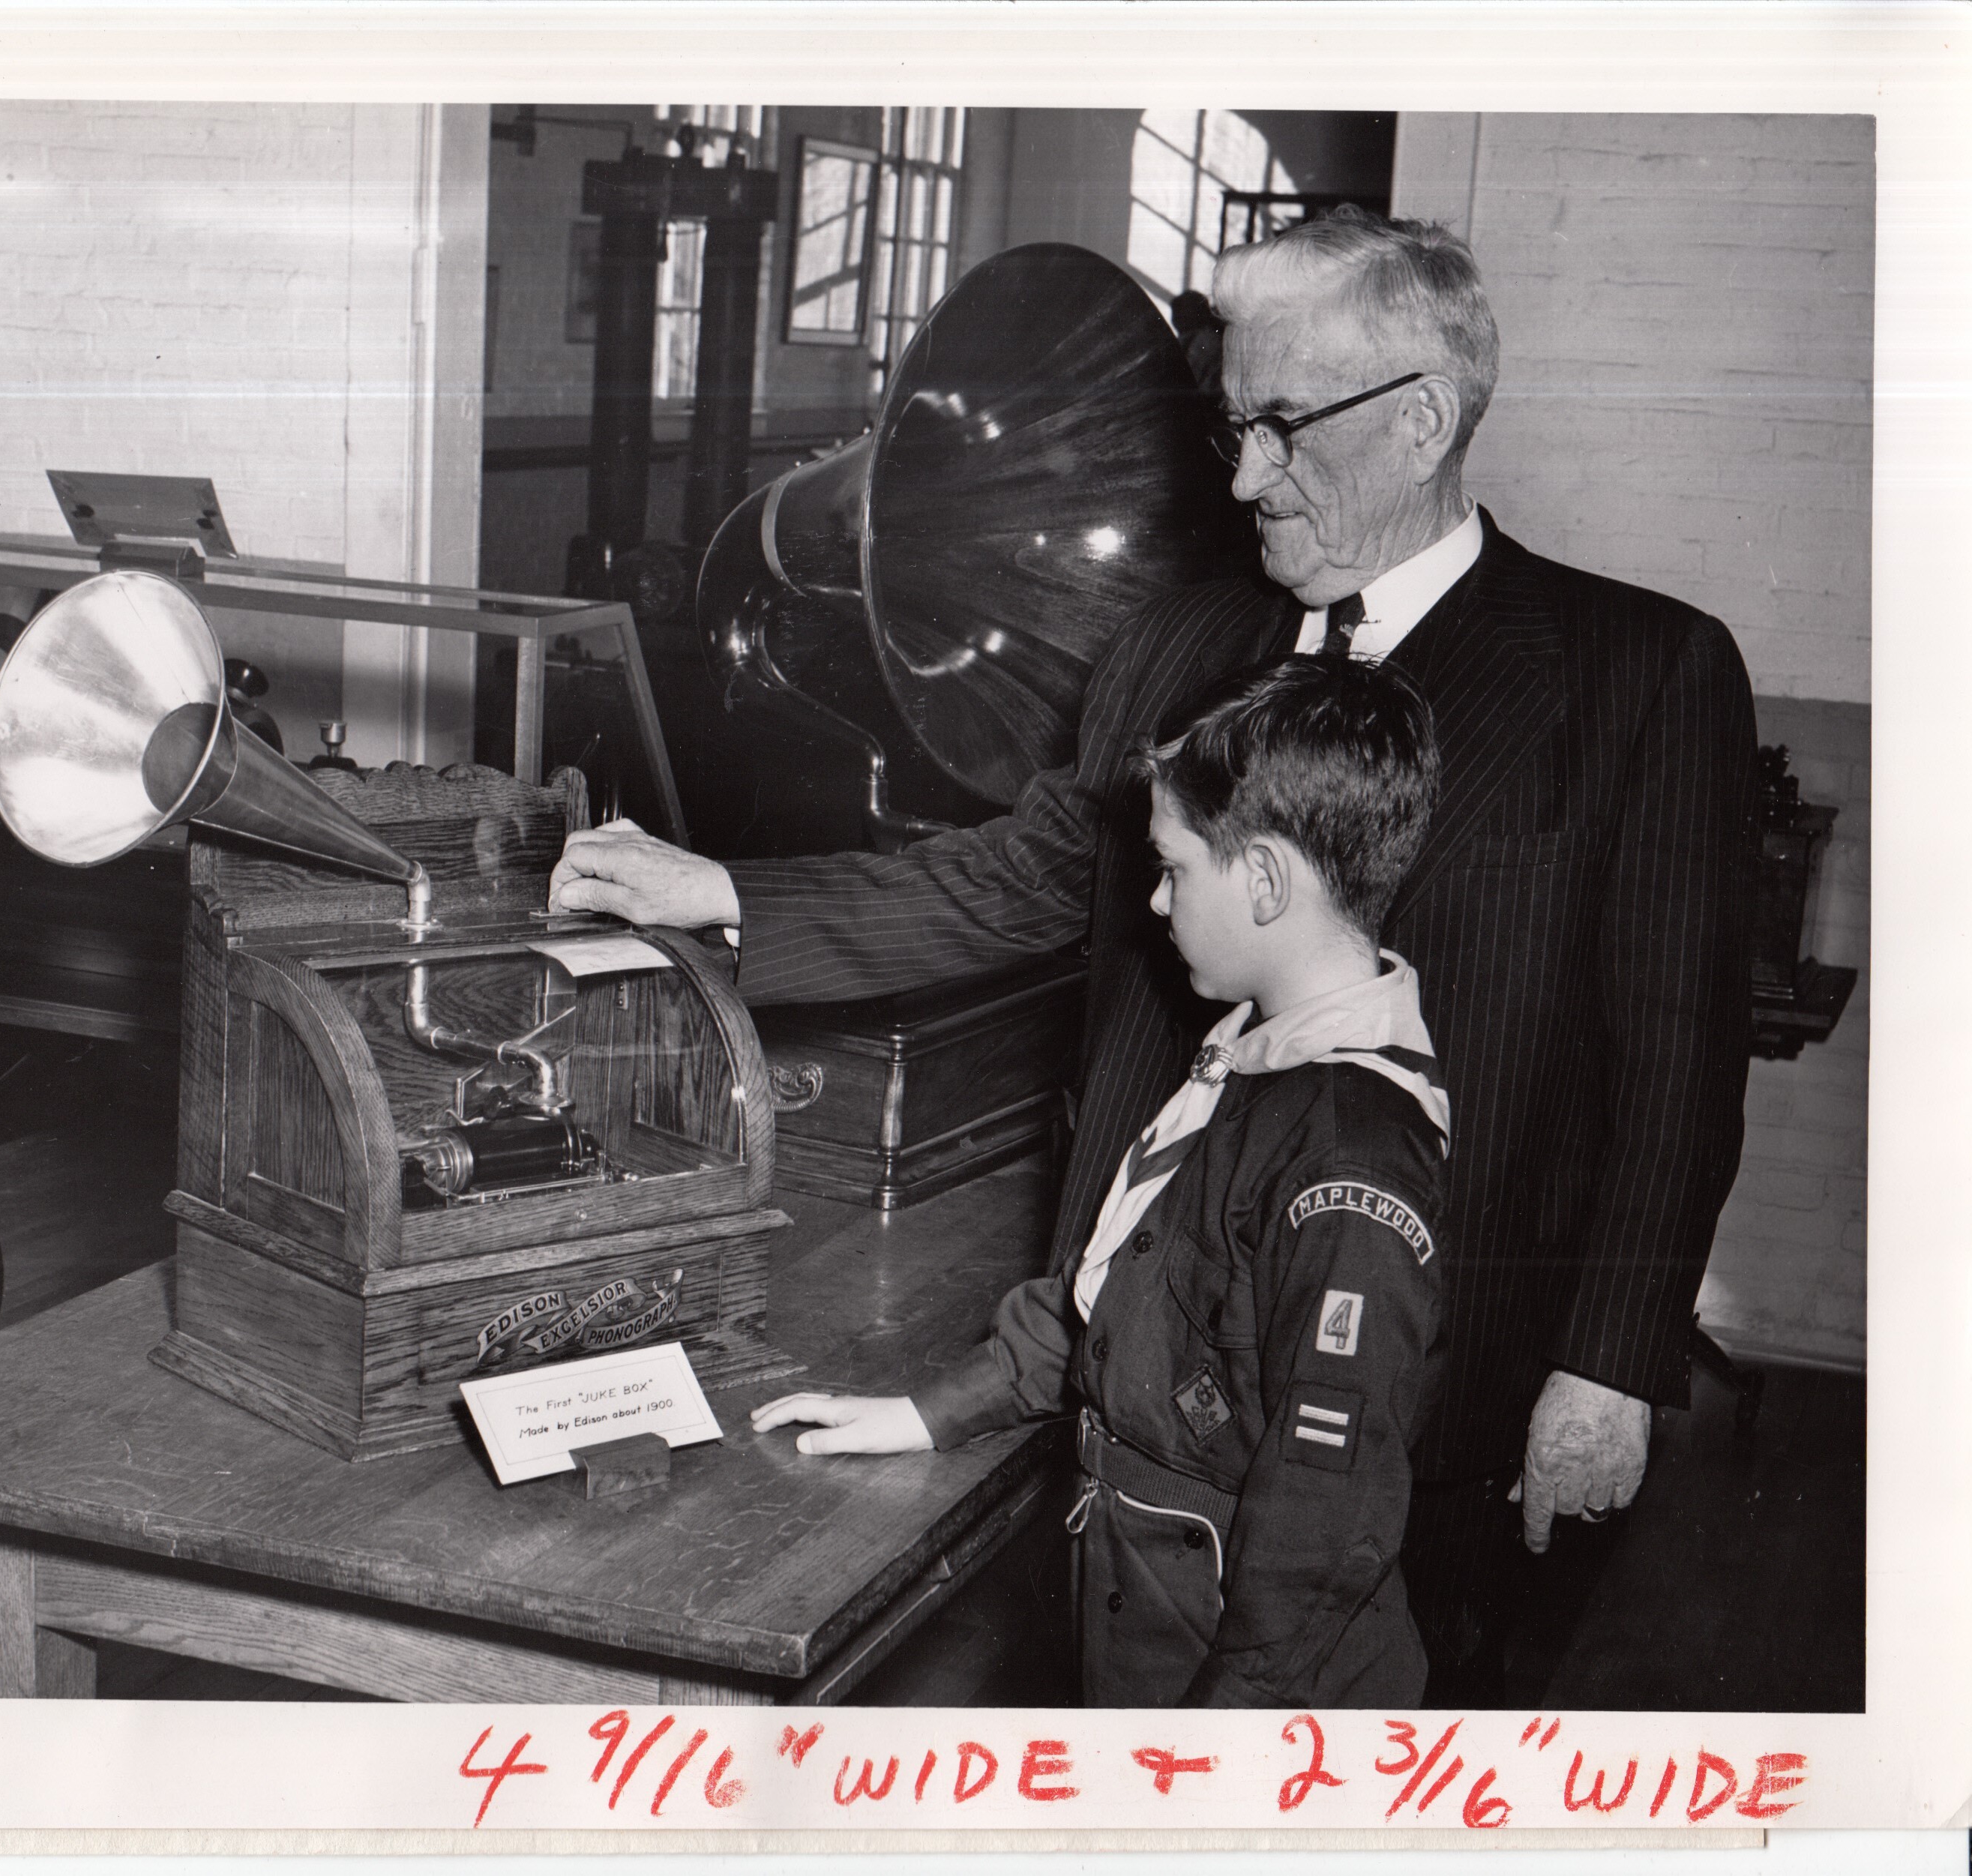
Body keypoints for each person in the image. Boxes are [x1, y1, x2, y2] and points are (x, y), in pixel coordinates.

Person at [550, 206, 1758, 1705]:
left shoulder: (1640, 672)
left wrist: (1609, 1361)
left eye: (1279, 428)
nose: (1240, 475)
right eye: (1227, 426)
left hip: (1433, 1399)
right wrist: (715, 891)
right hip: (1137, 1394)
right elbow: (1011, 882)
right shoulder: (1175, 641)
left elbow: (1676, 1061)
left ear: (1422, 418)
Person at [753, 656, 1450, 1707]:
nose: (1156, 900)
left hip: (1243, 1681)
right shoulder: (1256, 1057)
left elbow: (1325, 1516)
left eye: (1172, 867)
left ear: (1262, 880)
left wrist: (1219, 1753)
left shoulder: (1346, 1152)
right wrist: (929, 1412)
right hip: (1146, 1602)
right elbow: (1121, 1302)